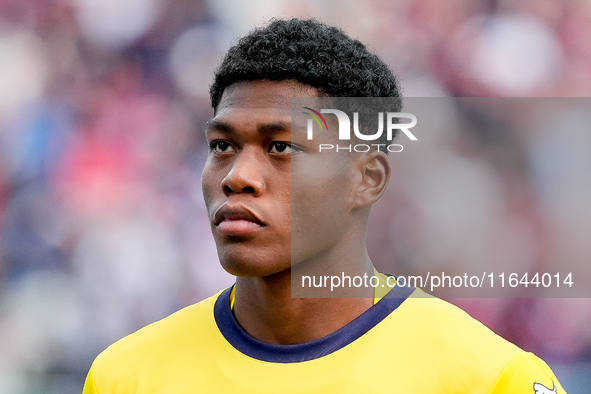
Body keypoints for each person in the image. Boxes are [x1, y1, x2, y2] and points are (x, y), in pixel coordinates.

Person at [83, 18, 566, 393]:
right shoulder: (125, 376)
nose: (237, 177)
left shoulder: (488, 377)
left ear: (366, 179)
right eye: (222, 147)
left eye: (281, 148)